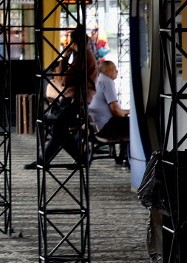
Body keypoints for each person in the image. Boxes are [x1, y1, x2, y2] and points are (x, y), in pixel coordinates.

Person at [28, 26, 98, 168]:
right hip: (76, 98)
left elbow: (65, 79)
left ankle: (81, 158)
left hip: (76, 99)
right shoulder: (84, 55)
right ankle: (46, 160)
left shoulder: (83, 56)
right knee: (58, 128)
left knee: (59, 128)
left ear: (74, 42)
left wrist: (66, 55)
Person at [88, 59, 129, 140]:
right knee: (136, 124)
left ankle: (123, 151)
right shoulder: (106, 80)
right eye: (114, 69)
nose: (117, 71)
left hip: (95, 125)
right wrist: (125, 116)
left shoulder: (97, 80)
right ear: (106, 71)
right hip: (105, 127)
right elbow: (115, 110)